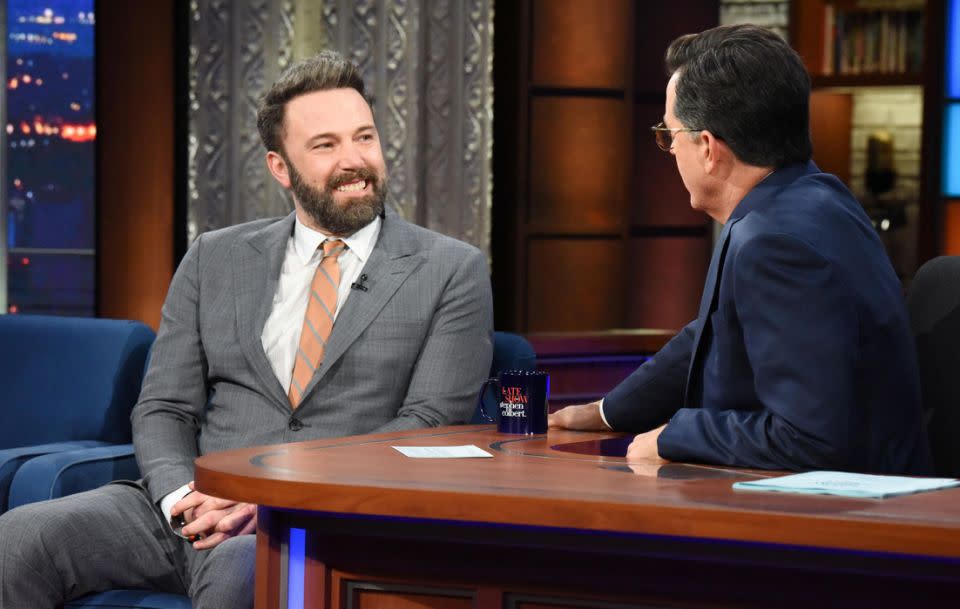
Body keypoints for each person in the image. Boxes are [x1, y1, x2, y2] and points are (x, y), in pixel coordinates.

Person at [0, 50, 493, 608]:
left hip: (317, 517)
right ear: (280, 167)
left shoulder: (450, 268)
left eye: (365, 138)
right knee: (17, 540)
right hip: (187, 505)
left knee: (243, 569)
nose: (355, 160)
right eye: (326, 145)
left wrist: (277, 500)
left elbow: (425, 429)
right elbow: (164, 406)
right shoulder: (216, 257)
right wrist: (183, 498)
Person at [549, 24, 932, 475]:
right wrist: (608, 412)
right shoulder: (807, 198)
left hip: (853, 525)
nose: (670, 150)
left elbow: (809, 440)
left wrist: (674, 435)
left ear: (709, 148)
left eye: (669, 135)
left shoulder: (778, 243)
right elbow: (713, 331)